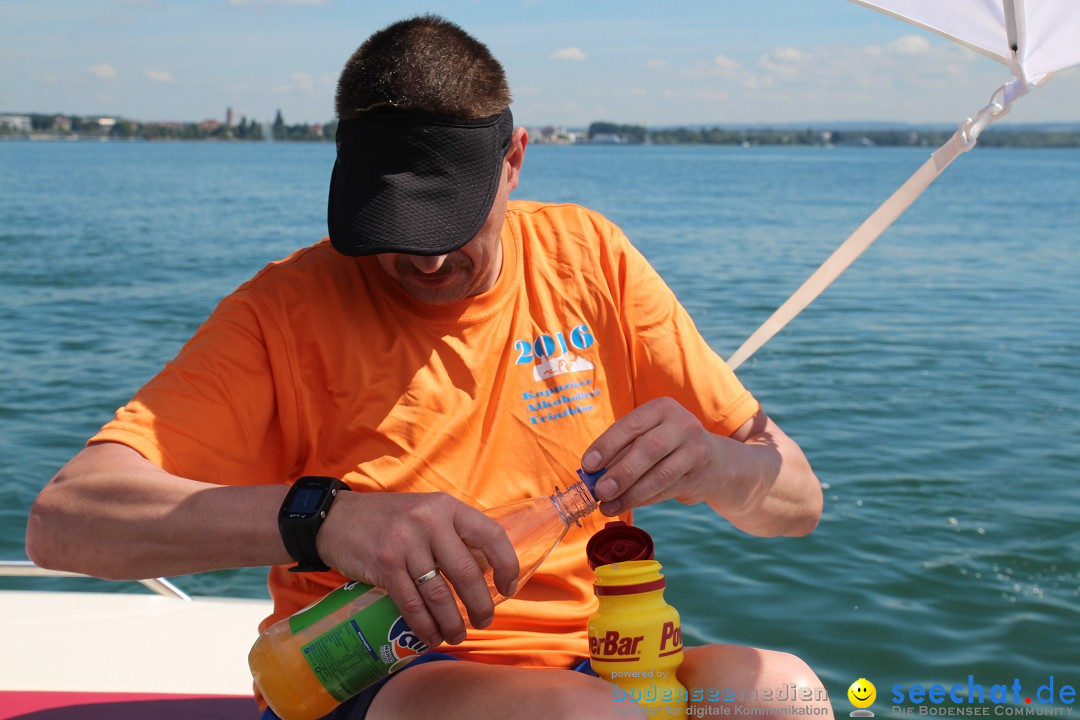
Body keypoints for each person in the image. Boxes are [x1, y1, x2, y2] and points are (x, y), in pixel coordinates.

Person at [26, 15, 830, 720]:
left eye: (451, 217)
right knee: (584, 717)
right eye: (395, 225)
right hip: (372, 674)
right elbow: (65, 521)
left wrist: (719, 463)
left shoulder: (591, 260)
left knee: (784, 692)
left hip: (601, 657)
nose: (430, 255)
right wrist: (323, 521)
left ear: (513, 161)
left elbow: (796, 502)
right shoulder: (285, 310)